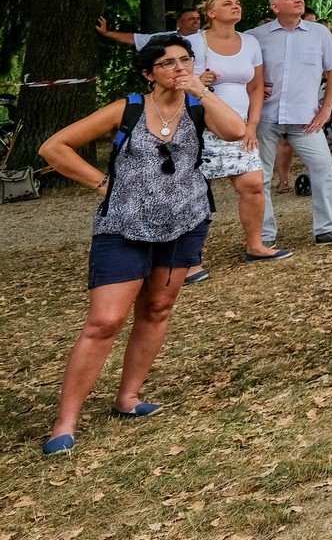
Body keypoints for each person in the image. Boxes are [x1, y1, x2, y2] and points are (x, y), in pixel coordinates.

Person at [38, 36, 249, 454]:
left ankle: (128, 397)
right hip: (123, 226)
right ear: (148, 73)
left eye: (185, 60)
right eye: (168, 63)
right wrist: (103, 183)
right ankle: (65, 421)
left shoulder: (198, 106)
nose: (179, 68)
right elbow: (54, 147)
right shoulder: (128, 108)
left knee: (157, 308)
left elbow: (236, 131)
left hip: (184, 222)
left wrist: (202, 91)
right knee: (105, 321)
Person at [175, 0, 286, 277]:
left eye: (237, 3)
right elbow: (174, 80)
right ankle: (188, 260)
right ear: (210, 13)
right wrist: (198, 81)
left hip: (240, 125)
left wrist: (252, 125)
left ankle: (255, 246)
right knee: (193, 191)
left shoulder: (250, 42)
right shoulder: (192, 42)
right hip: (198, 125)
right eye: (227, 3)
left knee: (253, 184)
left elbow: (256, 87)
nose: (235, 6)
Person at [248, 0, 332, 246]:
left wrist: (326, 109)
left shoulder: (319, 33)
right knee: (260, 176)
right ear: (275, 7)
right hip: (265, 117)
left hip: (306, 118)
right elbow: (238, 69)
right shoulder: (254, 37)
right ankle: (264, 236)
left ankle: (327, 229)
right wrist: (252, 84)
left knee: (324, 168)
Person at [95, 8, 202, 47]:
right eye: (191, 19)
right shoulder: (166, 38)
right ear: (179, 23)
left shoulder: (206, 36)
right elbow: (134, 39)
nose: (196, 21)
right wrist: (106, 33)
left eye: (198, 18)